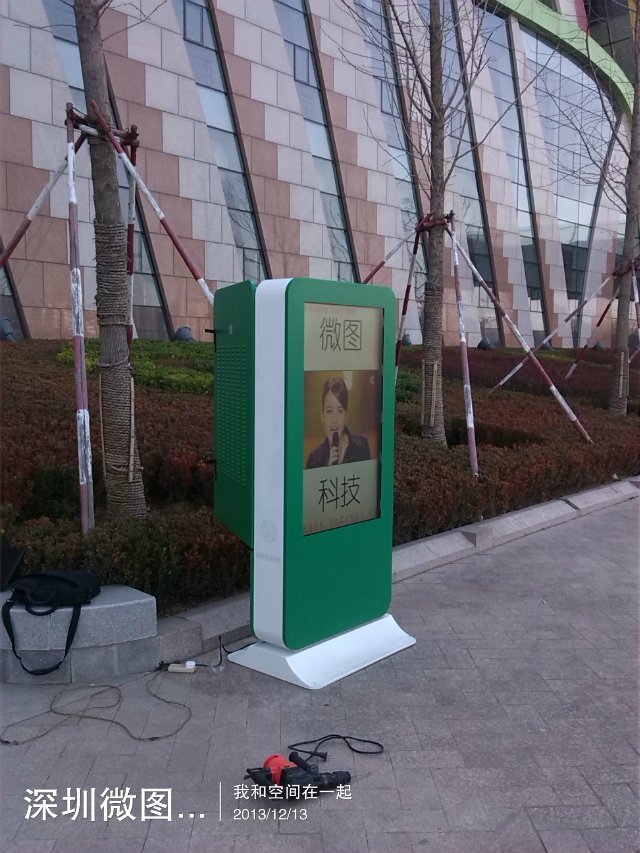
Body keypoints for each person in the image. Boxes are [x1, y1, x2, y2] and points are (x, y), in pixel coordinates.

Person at [306, 376, 371, 469]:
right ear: (322, 415)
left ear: (346, 415)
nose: (334, 419)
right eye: (329, 411)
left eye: (340, 411)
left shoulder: (361, 445)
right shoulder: (314, 459)